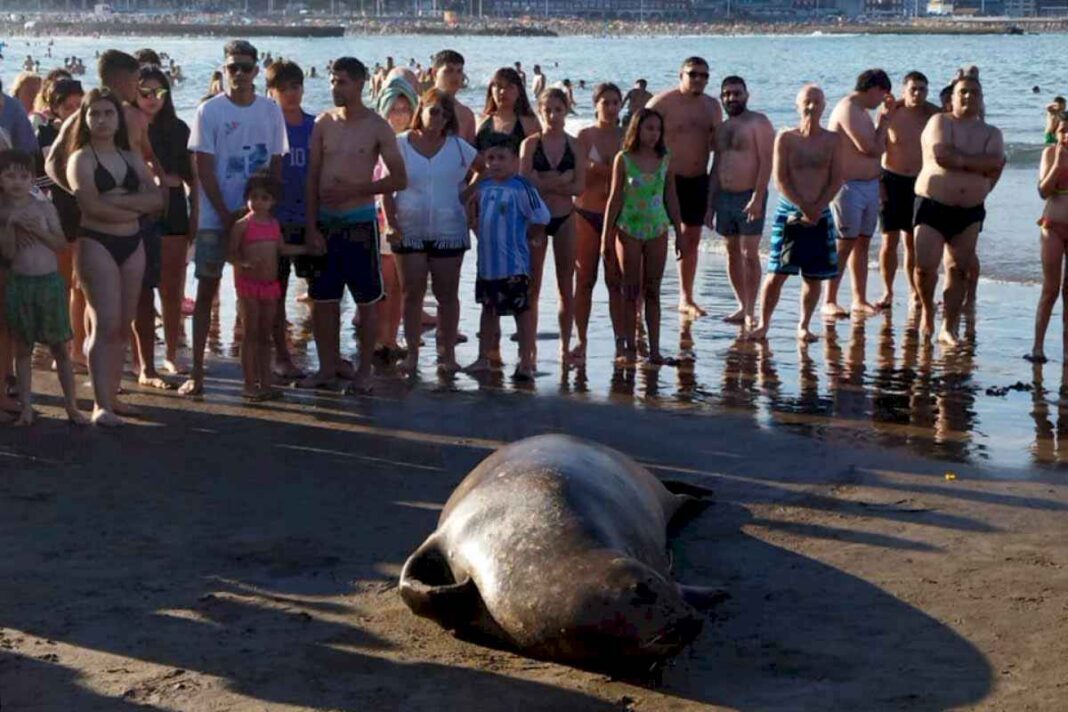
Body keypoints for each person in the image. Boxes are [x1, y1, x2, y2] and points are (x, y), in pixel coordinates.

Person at [180, 40, 288, 397]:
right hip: (216, 217)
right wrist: (226, 215)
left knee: (260, 299)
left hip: (257, 217)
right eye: (232, 68)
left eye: (245, 67)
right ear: (224, 71)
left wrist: (261, 212)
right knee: (207, 291)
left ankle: (260, 377)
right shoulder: (209, 112)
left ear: (257, 70)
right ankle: (196, 372)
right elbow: (203, 168)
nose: (239, 74)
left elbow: (276, 163)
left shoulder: (271, 111)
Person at [303, 56, 407, 394]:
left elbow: (399, 178)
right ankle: (327, 366)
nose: (335, 87)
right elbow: (312, 176)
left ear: (361, 84)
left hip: (360, 223)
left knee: (367, 300)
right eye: (333, 81)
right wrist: (311, 225)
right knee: (323, 300)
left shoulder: (377, 126)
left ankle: (365, 371)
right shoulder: (323, 123)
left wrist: (355, 189)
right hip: (326, 225)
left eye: (342, 81)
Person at [66, 89, 162, 426]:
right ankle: (100, 404)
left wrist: (116, 204)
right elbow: (90, 206)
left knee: (122, 324)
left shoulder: (130, 156)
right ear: (86, 119)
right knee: (104, 322)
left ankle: (114, 394)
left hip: (133, 242)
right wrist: (132, 203)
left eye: (108, 113)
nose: (102, 120)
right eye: (95, 114)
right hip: (97, 243)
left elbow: (157, 199)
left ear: (118, 118)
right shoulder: (81, 158)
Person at [384, 89, 477, 375]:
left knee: (447, 294)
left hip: (449, 228)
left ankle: (446, 354)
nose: (439, 118)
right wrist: (390, 222)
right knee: (412, 294)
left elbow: (485, 170)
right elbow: (386, 186)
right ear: (421, 110)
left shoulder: (459, 147)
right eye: (434, 111)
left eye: (445, 114)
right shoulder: (399, 144)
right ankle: (412, 353)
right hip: (408, 227)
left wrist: (465, 196)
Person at [913, 74, 1004, 346]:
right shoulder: (939, 122)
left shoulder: (991, 132)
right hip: (932, 206)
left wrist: (961, 161)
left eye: (974, 92)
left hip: (969, 211)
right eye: (963, 92)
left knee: (958, 270)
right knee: (924, 269)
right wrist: (978, 163)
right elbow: (942, 155)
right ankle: (928, 310)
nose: (968, 96)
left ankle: (948, 327)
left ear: (981, 99)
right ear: (952, 98)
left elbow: (996, 163)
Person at [748, 84, 843, 343]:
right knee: (777, 272)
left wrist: (818, 206)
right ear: (797, 105)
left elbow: (837, 179)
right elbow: (780, 179)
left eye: (817, 101)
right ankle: (763, 324)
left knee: (814, 276)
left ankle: (804, 325)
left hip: (820, 212)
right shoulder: (786, 137)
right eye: (807, 101)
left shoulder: (833, 140)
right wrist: (803, 206)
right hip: (790, 212)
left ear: (825, 105)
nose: (812, 106)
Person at [0, 149, 87, 425]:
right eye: (9, 175)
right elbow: (9, 254)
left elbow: (61, 244)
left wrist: (37, 230)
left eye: (23, 176)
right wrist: (11, 226)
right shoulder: (3, 212)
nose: (16, 181)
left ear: (32, 179)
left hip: (48, 281)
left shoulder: (44, 207)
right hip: (20, 283)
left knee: (60, 347)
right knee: (23, 349)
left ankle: (72, 406)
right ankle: (25, 407)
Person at [464, 134, 550, 381]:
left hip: (514, 265)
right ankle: (483, 358)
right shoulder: (484, 186)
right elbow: (465, 202)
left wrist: (533, 239)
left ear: (514, 160)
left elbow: (541, 217)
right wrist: (474, 223)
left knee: (521, 312)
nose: (495, 163)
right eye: (490, 158)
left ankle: (525, 360)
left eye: (502, 158)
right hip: (488, 265)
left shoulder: (521, 187)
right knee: (487, 310)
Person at [602, 107, 683, 367]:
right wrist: (606, 238)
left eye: (657, 129)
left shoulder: (666, 158)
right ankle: (628, 346)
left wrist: (679, 232)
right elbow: (614, 199)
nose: (653, 134)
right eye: (648, 128)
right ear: (637, 129)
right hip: (628, 229)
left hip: (657, 228)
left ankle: (655, 350)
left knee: (653, 290)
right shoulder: (623, 159)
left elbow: (671, 195)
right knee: (630, 289)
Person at [647, 57, 722, 318]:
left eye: (704, 75)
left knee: (691, 238)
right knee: (652, 238)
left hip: (696, 179)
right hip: (664, 180)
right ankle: (643, 299)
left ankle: (686, 297)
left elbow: (718, 148)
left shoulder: (712, 106)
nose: (699, 79)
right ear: (681, 74)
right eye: (693, 74)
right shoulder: (662, 103)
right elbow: (639, 138)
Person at [520, 88, 586, 365]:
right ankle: (529, 347)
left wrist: (543, 181)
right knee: (532, 286)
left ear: (566, 111)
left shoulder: (575, 145)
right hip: (536, 220)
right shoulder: (531, 144)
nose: (553, 115)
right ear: (540, 110)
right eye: (548, 110)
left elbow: (579, 187)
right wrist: (559, 182)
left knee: (565, 284)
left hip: (565, 218)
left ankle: (564, 345)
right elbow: (523, 184)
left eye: (559, 110)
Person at [138, 65, 197, 377]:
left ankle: (172, 353)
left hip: (173, 212)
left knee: (171, 289)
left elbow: (193, 179)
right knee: (140, 291)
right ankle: (142, 360)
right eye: (144, 92)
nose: (151, 98)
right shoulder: (126, 126)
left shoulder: (177, 129)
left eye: (158, 92)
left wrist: (196, 216)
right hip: (135, 213)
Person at [228, 174, 307, 400]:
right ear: (247, 199)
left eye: (264, 198)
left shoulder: (274, 224)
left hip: (270, 286)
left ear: (273, 201)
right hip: (248, 286)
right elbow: (231, 253)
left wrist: (306, 248)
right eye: (254, 197)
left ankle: (266, 381)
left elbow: (282, 249)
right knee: (250, 333)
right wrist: (243, 263)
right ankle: (249, 383)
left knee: (265, 334)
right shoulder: (242, 225)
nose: (259, 202)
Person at [824, 69, 893, 319]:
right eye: (882, 95)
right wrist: (884, 122)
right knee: (844, 244)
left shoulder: (863, 112)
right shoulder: (849, 109)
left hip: (869, 184)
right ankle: (829, 299)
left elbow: (879, 147)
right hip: (848, 186)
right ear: (873, 89)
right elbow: (871, 148)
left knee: (863, 242)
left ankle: (858, 298)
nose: (880, 102)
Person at [708, 75, 774, 329]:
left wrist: (758, 196)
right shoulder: (722, 129)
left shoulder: (758, 122)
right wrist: (710, 204)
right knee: (731, 252)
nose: (731, 98)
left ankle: (751, 309)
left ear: (746, 95)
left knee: (749, 253)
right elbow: (716, 167)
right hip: (724, 197)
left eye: (737, 93)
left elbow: (767, 161)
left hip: (750, 195)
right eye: (727, 94)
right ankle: (741, 304)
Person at [265, 59, 314, 381]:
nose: (291, 94)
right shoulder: (268, 126)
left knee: (321, 291)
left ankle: (326, 352)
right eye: (284, 89)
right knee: (276, 292)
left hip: (309, 215)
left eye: (295, 87)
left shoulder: (316, 124)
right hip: (277, 218)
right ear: (272, 92)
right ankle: (280, 355)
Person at [878, 71, 940, 312]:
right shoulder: (891, 113)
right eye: (913, 89)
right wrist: (878, 184)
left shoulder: (933, 115)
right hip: (892, 179)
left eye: (922, 89)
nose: (918, 93)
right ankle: (887, 291)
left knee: (913, 241)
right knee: (889, 240)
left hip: (919, 183)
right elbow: (876, 147)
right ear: (904, 90)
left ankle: (915, 292)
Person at [574, 82, 624, 363]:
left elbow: (631, 173)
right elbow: (581, 175)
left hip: (616, 216)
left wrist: (601, 169)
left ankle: (621, 341)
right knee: (584, 279)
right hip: (586, 212)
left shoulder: (626, 136)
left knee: (616, 280)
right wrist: (606, 170)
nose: (610, 108)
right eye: (605, 102)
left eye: (615, 102)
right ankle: (580, 339)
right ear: (595, 105)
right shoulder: (584, 135)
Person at [1029, 110, 1068, 363]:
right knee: (1050, 288)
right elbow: (1043, 191)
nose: (1067, 135)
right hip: (1053, 225)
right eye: (1063, 130)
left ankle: (1066, 351)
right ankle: (1037, 346)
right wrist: (1057, 164)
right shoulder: (1050, 153)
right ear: (1055, 133)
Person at [475, 68, 540, 155]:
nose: (502, 92)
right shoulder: (480, 120)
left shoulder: (530, 123)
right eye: (498, 86)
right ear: (491, 90)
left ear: (519, 91)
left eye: (509, 87)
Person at [432, 49, 476, 143]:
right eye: (449, 71)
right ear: (435, 73)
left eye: (459, 71)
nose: (455, 76)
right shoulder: (418, 106)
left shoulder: (466, 114)